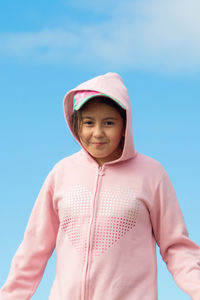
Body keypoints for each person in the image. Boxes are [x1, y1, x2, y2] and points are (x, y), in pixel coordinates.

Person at [0, 72, 199, 300]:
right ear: (77, 125)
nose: (97, 133)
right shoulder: (61, 173)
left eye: (109, 123)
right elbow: (33, 250)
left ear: (125, 125)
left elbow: (177, 248)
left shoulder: (152, 174)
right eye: (88, 122)